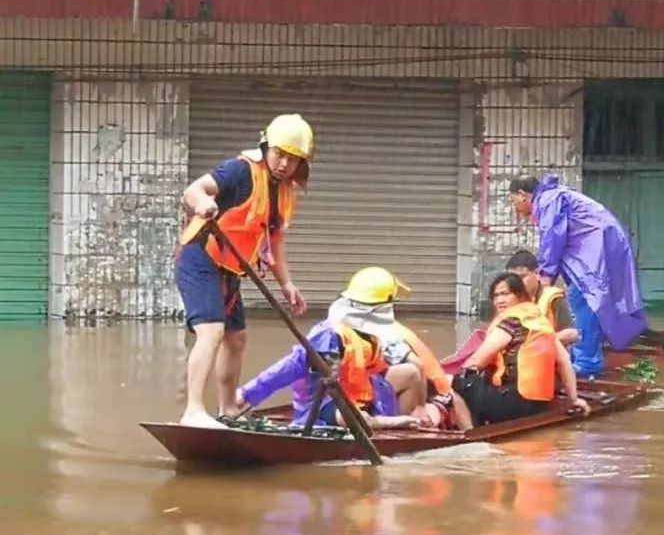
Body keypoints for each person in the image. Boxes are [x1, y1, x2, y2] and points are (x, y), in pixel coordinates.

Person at [175, 114, 313, 429]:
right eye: (280, 154)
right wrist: (203, 204)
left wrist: (287, 284)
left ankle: (228, 410)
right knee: (211, 331)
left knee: (236, 339)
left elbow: (274, 241)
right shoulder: (240, 171)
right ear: (266, 147)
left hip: (230, 270)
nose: (284, 164)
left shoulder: (284, 192)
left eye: (293, 160)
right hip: (200, 257)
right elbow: (194, 190)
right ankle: (193, 411)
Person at [509, 174, 648, 378]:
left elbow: (553, 237)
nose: (515, 208)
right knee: (590, 301)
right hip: (600, 246)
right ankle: (584, 354)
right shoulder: (554, 196)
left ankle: (587, 363)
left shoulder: (548, 200)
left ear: (522, 195)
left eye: (513, 201)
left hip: (597, 248)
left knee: (584, 300)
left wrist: (546, 274)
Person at [234, 305, 421, 431]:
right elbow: (277, 374)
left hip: (359, 393)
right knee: (354, 418)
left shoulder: (370, 336)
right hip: (324, 405)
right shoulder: (321, 344)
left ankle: (401, 430)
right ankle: (389, 423)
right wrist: (245, 394)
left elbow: (376, 370)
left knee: (410, 373)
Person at [450, 272, 588, 430]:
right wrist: (574, 399)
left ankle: (469, 432)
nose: (499, 300)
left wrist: (456, 376)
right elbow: (565, 362)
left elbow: (476, 362)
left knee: (458, 381)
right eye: (496, 296)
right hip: (539, 404)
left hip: (512, 405)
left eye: (505, 294)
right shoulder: (540, 322)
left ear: (520, 295)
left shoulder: (510, 322)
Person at [327, 267, 457, 429]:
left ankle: (395, 425)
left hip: (379, 393)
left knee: (410, 372)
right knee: (409, 372)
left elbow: (418, 366)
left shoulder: (379, 331)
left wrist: (420, 408)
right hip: (355, 394)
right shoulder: (372, 329)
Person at [505, 249, 579, 347]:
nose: (518, 282)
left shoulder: (551, 297)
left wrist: (537, 343)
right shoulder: (510, 299)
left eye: (522, 277)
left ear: (536, 273)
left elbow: (571, 333)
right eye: (513, 279)